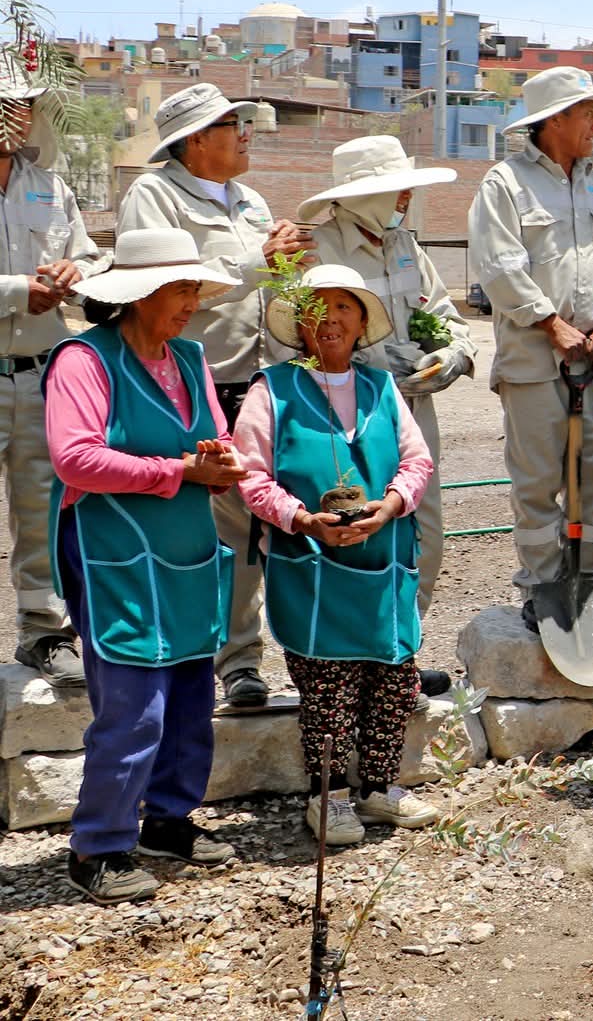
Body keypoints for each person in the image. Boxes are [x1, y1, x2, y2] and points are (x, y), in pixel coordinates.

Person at [46, 230, 243, 904]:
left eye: (195, 288)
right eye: (182, 288)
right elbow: (74, 457)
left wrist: (220, 466)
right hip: (114, 553)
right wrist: (180, 469)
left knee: (190, 693)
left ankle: (167, 818)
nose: (193, 302)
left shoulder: (190, 358)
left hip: (185, 550)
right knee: (134, 706)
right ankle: (98, 845)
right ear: (138, 294)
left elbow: (211, 441)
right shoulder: (84, 360)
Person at [118, 83, 309, 709]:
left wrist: (285, 269)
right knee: (212, 530)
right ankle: (224, 659)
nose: (247, 133)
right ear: (196, 140)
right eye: (233, 123)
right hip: (198, 382)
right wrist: (260, 258)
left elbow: (263, 282)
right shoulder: (154, 196)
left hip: (261, 380)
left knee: (260, 520)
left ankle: (252, 654)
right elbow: (163, 287)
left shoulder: (250, 200)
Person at [234, 265, 440, 846]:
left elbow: (416, 461)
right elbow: (251, 477)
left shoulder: (382, 387)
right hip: (313, 566)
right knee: (329, 687)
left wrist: (393, 505)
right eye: (316, 308)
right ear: (299, 323)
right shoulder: (270, 388)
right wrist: (302, 520)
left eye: (343, 307)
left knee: (393, 679)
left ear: (361, 320)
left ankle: (378, 788)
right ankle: (328, 798)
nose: (331, 319)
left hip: (384, 558)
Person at [467, 67, 593, 623]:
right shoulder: (505, 184)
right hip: (536, 362)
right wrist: (552, 325)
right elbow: (499, 267)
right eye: (588, 112)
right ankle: (540, 586)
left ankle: (588, 582)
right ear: (555, 119)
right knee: (538, 483)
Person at [300, 137, 473, 662]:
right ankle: (354, 659)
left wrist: (452, 356)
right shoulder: (320, 251)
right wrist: (378, 370)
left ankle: (401, 651)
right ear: (362, 195)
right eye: (394, 189)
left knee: (426, 532)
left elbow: (446, 315)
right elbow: (308, 338)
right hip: (346, 417)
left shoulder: (406, 247)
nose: (404, 198)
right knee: (360, 529)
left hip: (415, 411)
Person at [1, 81, 104, 686]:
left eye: (21, 104)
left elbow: (93, 260)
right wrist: (19, 292)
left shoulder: (51, 188)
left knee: (43, 509)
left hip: (41, 376)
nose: (16, 115)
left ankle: (42, 632)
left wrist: (77, 269)